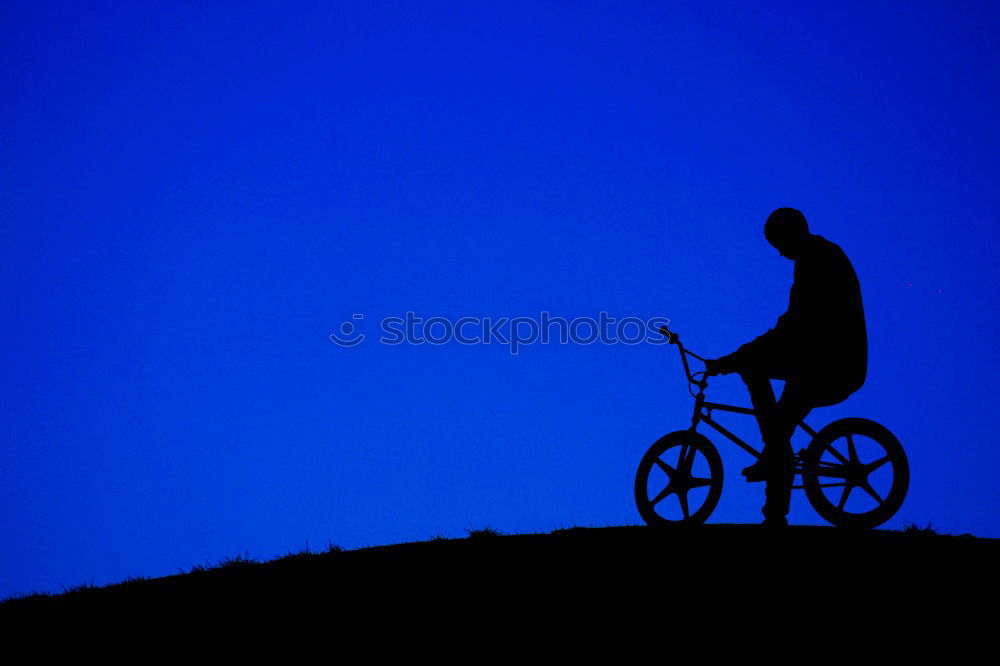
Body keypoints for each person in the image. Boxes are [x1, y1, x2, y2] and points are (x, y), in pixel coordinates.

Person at [705, 208, 867, 527]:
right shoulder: (819, 256)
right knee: (760, 382)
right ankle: (773, 451)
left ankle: (775, 497)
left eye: (779, 243)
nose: (780, 253)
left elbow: (795, 325)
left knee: (764, 394)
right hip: (821, 360)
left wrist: (737, 357)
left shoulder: (817, 260)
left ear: (792, 233)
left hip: (829, 363)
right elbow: (794, 327)